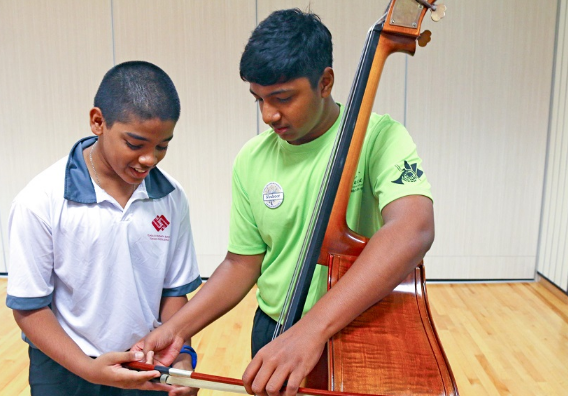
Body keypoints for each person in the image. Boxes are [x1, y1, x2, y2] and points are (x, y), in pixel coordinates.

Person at [136, 8, 434, 396]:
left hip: (357, 328)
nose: (268, 115)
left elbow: (413, 229)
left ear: (325, 82)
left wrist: (312, 329)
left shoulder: (380, 138)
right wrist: (176, 328)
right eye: (257, 99)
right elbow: (242, 263)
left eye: (282, 98)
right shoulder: (252, 158)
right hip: (275, 328)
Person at [6, 61, 202, 396]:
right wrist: (88, 370)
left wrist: (181, 355)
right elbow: (30, 308)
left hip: (144, 364)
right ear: (98, 121)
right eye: (135, 143)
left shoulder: (171, 196)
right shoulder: (40, 200)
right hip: (63, 370)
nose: (149, 159)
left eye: (162, 145)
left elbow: (174, 292)